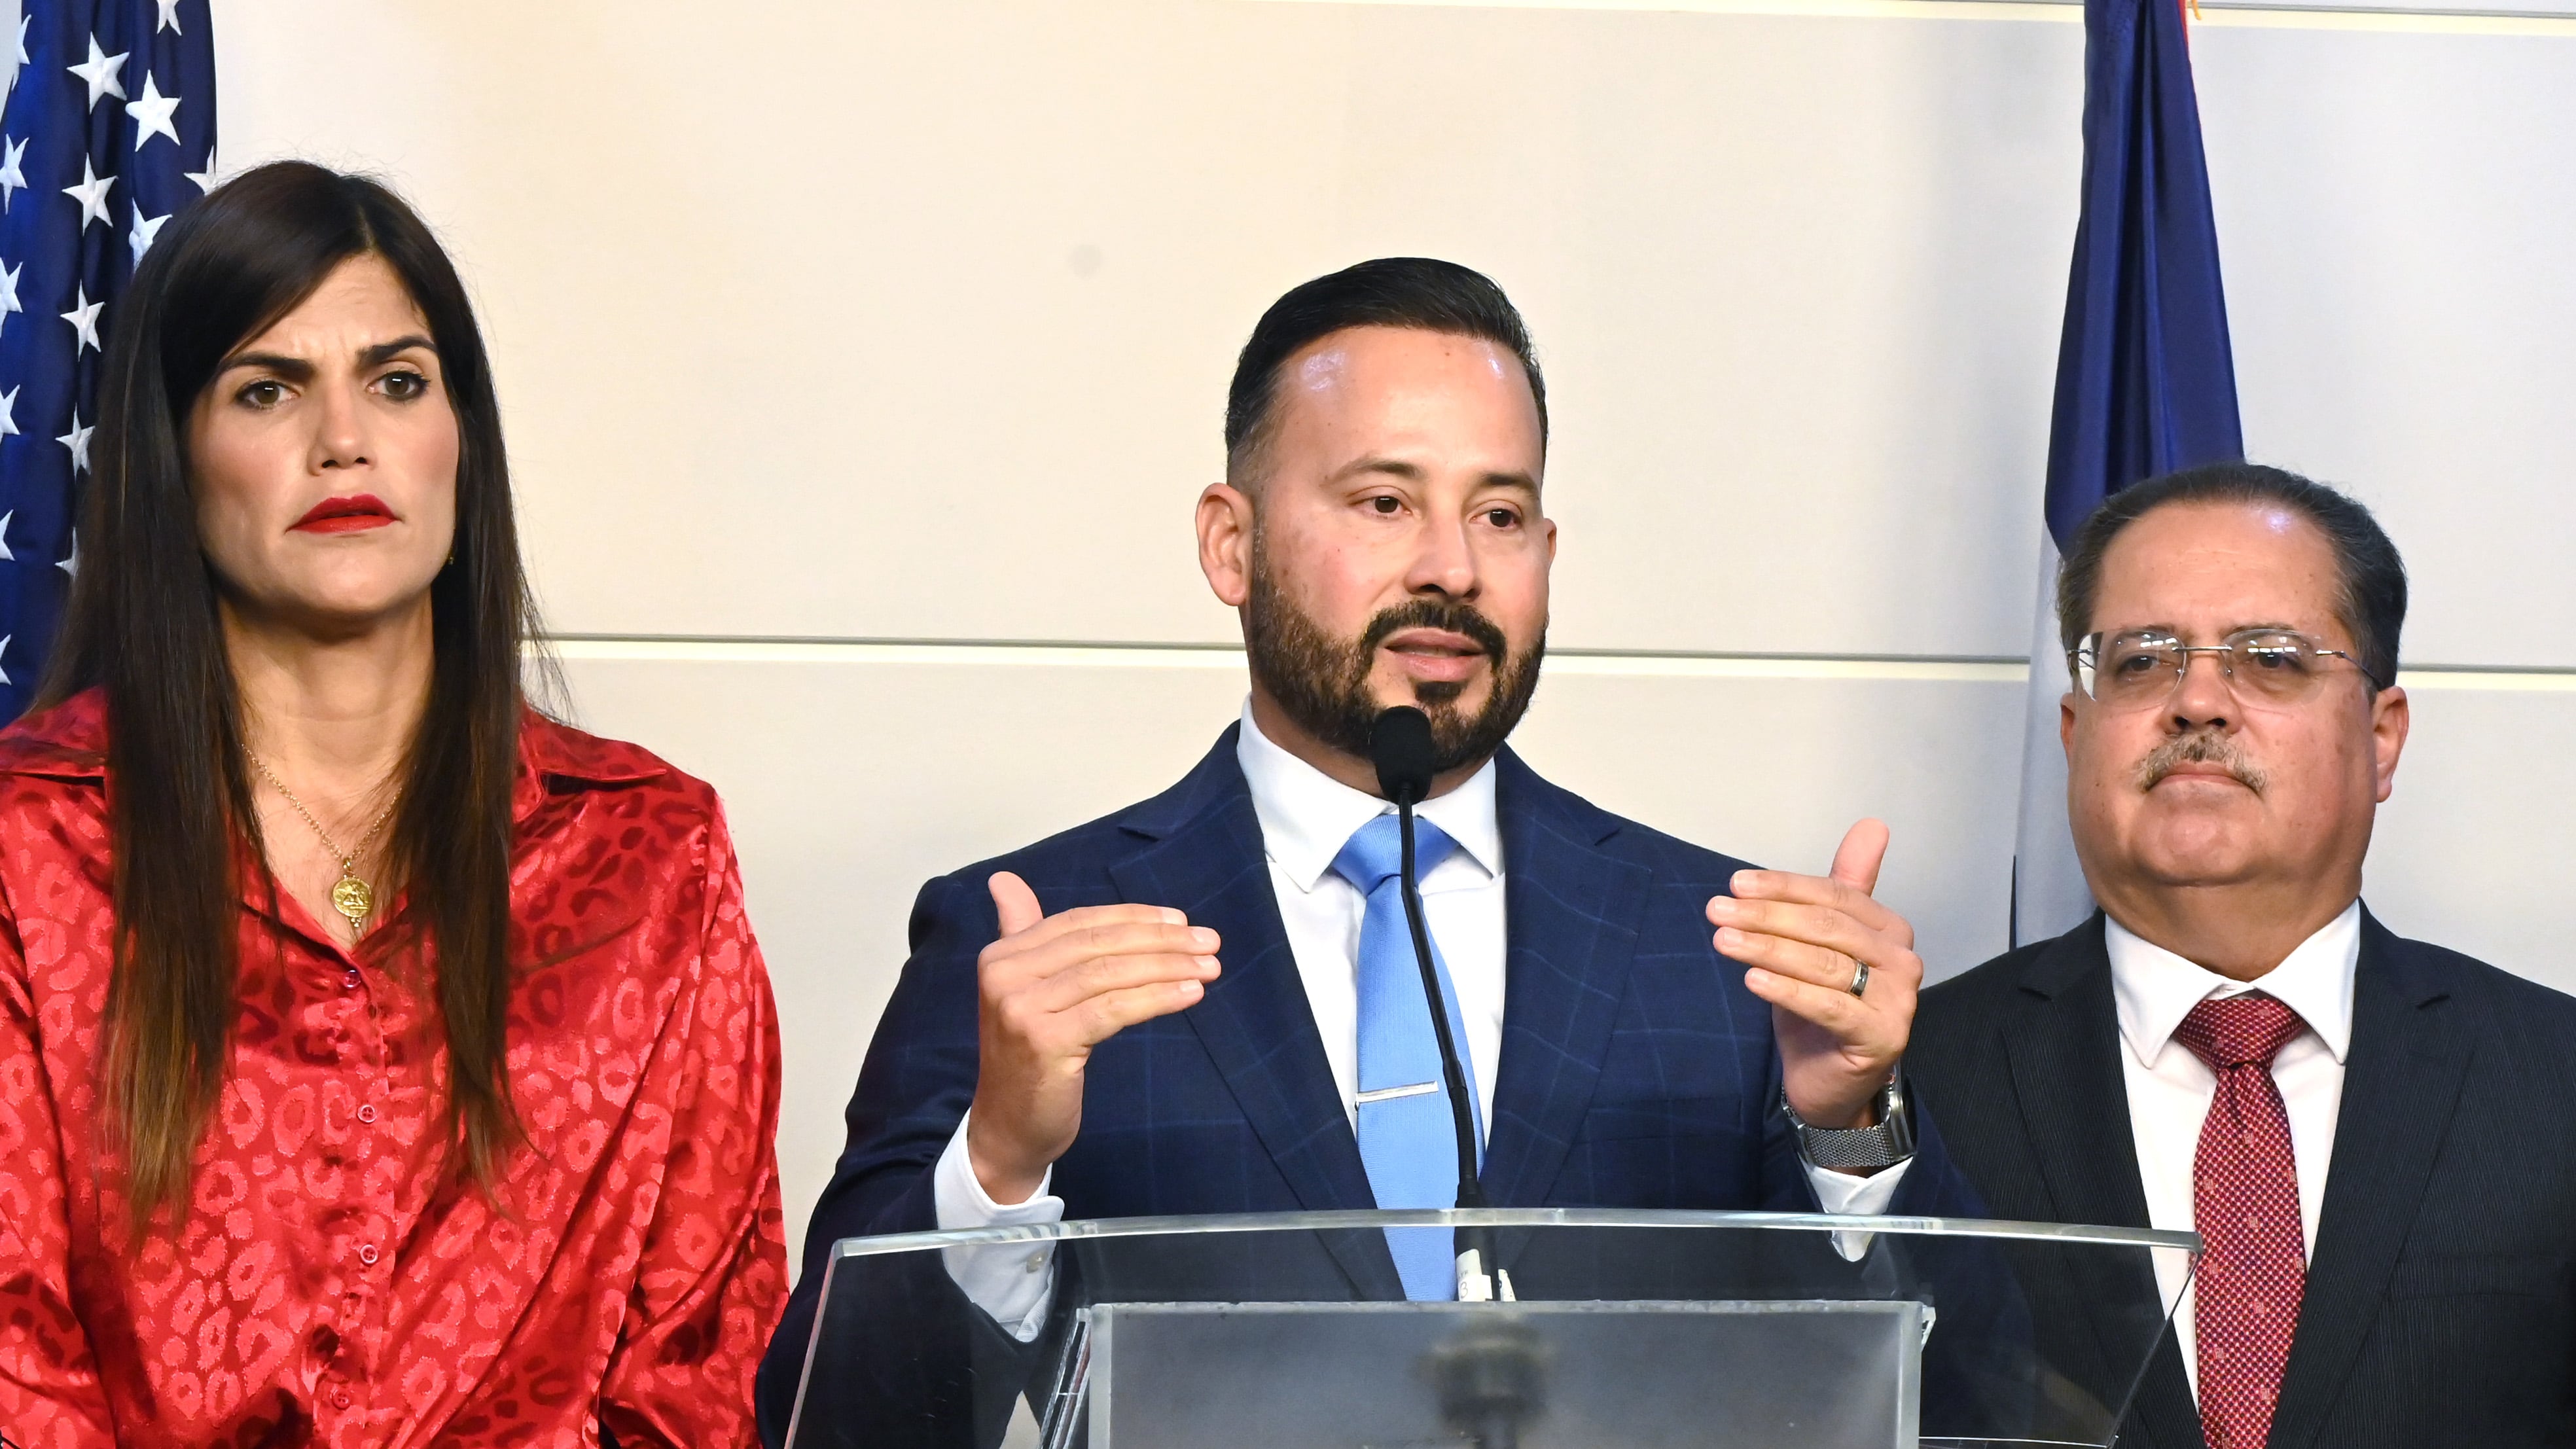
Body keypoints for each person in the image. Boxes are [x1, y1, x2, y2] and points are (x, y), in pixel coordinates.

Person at [760, 258, 1985, 1440]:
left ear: (1547, 560)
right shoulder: (1030, 938)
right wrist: (999, 1164)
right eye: (1384, 501)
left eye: (1498, 514)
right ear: (1230, 545)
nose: (1451, 568)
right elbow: (830, 1416)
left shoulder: (1721, 941)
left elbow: (1987, 1394)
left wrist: (1849, 1128)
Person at [0, 162, 787, 1446]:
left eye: (397, 381)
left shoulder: (651, 855)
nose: (344, 440)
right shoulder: (31, 845)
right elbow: (14, 1376)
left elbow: (701, 1372)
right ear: (173, 457)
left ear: (460, 439)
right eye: (268, 390)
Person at [1908, 463, 2576, 1449]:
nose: (2199, 703)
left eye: (2270, 658)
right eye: (2141, 661)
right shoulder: (1909, 1077)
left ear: (2382, 737)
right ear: (2074, 733)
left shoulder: (2554, 1075)